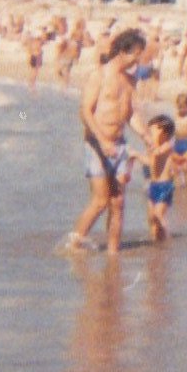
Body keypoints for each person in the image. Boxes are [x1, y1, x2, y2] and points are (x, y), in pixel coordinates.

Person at [69, 28, 149, 258]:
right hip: (96, 143)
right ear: (123, 51)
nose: (138, 60)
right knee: (100, 200)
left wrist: (145, 135)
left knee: (118, 202)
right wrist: (102, 140)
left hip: (119, 144)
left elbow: (130, 113)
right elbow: (85, 111)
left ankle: (113, 253)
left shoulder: (130, 80)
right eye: (136, 54)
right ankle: (73, 246)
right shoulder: (100, 75)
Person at [130, 114, 177, 243]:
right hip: (153, 186)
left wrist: (146, 150)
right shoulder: (154, 148)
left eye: (154, 131)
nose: (150, 134)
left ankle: (168, 239)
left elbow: (156, 155)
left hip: (165, 186)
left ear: (165, 134)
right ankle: (155, 239)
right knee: (151, 217)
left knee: (158, 214)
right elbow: (149, 162)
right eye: (150, 131)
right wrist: (136, 156)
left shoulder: (167, 146)